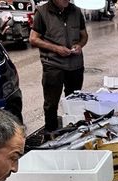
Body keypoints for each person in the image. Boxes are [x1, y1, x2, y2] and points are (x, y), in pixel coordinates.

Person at [29, 0, 88, 133]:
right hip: (53, 65)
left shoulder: (76, 11)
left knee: (74, 101)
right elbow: (33, 39)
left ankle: (74, 132)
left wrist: (80, 45)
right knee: (51, 104)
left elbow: (84, 36)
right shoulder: (42, 12)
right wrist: (56, 48)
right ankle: (51, 133)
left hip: (75, 65)